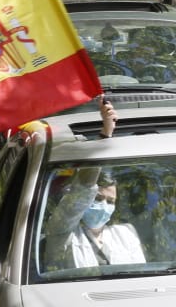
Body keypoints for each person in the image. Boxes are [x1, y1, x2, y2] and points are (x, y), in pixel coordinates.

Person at [41, 100, 148, 270]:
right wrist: (105, 136)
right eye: (98, 198)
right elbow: (83, 188)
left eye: (111, 201)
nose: (104, 205)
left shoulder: (125, 233)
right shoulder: (62, 232)